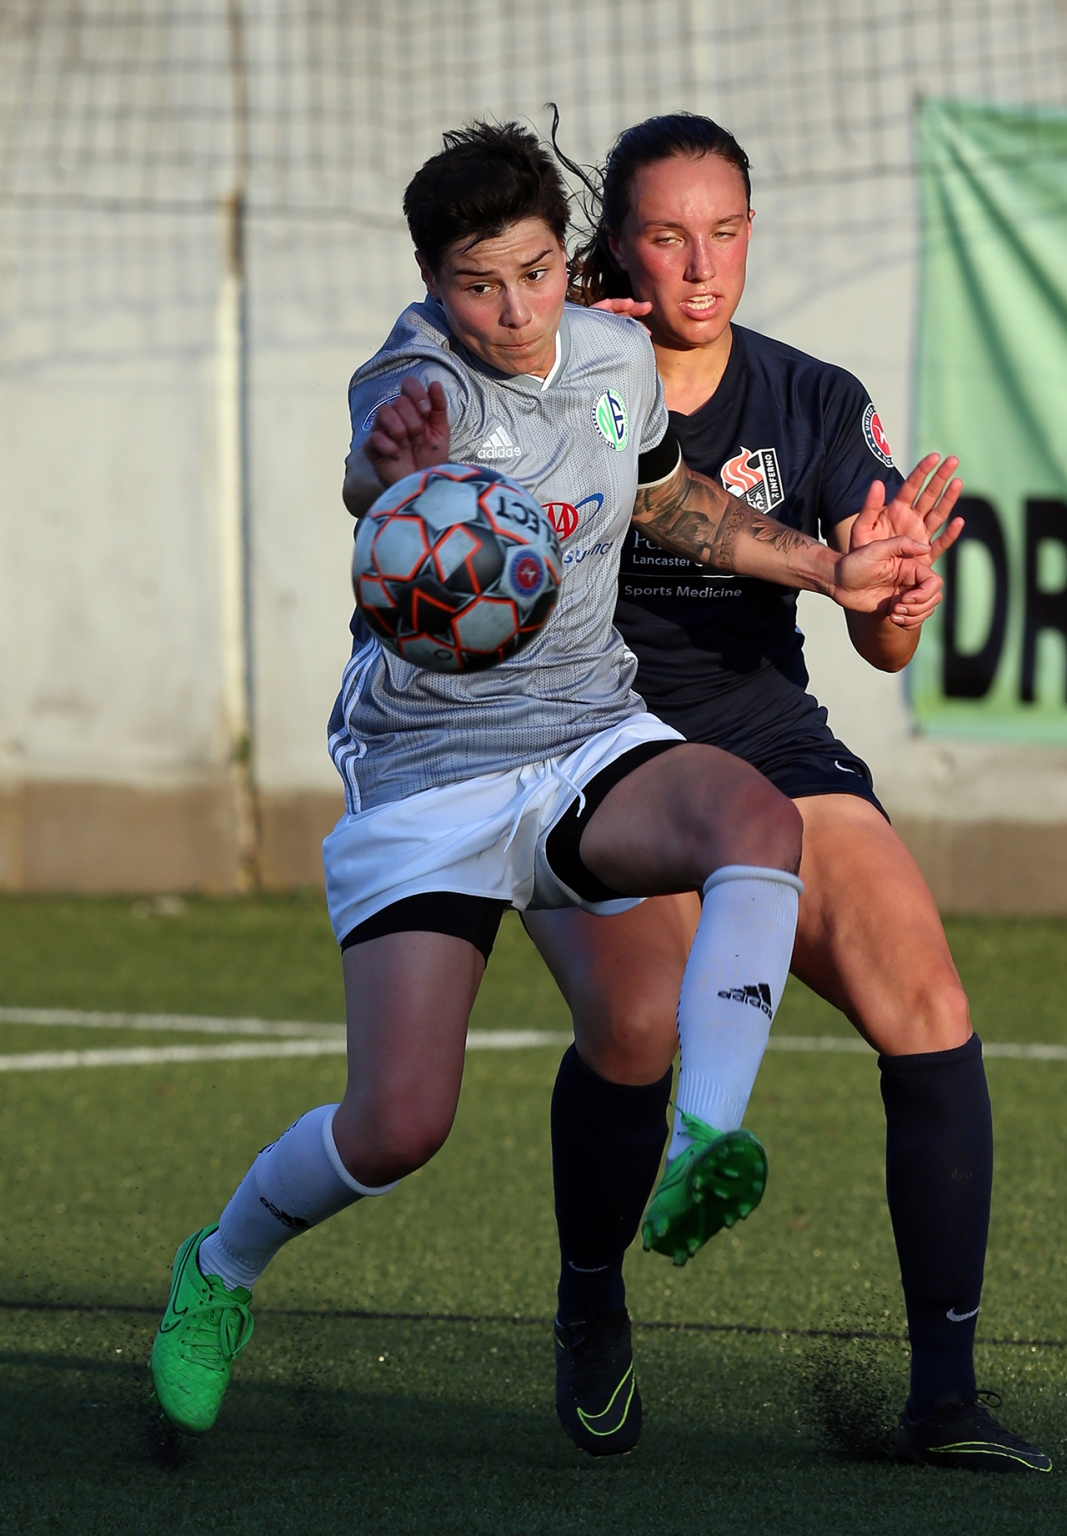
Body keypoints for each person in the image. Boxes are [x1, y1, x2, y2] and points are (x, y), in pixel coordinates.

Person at [146, 121, 936, 1446]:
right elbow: (372, 470)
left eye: (534, 273)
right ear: (432, 282)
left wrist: (827, 569)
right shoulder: (415, 378)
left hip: (582, 737)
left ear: (564, 257)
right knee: (398, 1127)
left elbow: (671, 500)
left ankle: (703, 1144)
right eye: (478, 285)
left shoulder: (617, 357)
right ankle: (220, 1267)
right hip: (429, 779)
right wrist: (394, 473)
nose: (513, 313)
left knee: (746, 827)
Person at [523, 112, 1050, 1472]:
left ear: (752, 233)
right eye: (667, 236)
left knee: (929, 1004)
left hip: (769, 744)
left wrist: (895, 595)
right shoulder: (562, 376)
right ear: (618, 245)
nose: (702, 266)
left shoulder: (814, 397)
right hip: (597, 744)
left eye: (726, 232)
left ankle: (944, 1396)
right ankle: (591, 1301)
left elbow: (881, 640)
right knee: (636, 1024)